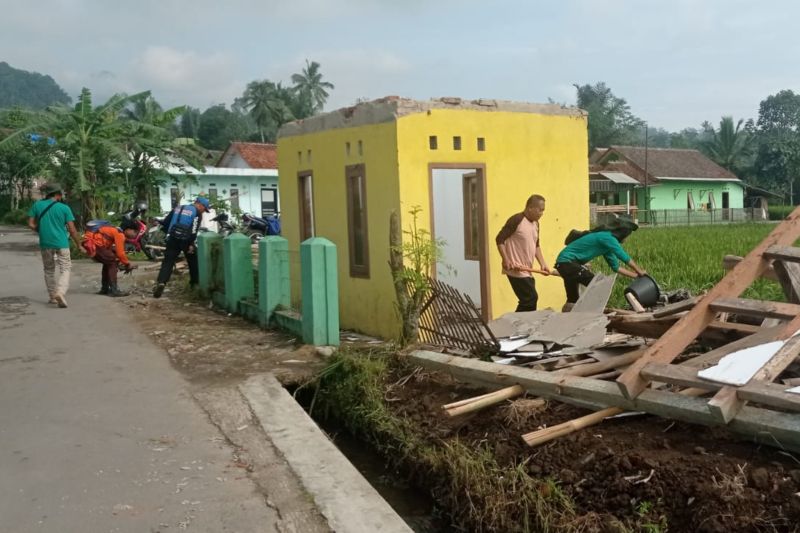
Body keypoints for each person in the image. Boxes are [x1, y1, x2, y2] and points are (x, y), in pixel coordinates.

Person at [555, 217, 647, 304]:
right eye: (627, 236)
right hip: (567, 263)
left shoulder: (606, 245)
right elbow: (623, 256)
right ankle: (593, 313)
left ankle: (570, 317)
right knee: (598, 285)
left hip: (565, 264)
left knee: (573, 299)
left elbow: (616, 267)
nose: (626, 239)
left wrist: (636, 276)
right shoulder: (608, 238)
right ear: (622, 233)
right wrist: (639, 271)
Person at [27, 183, 82, 308]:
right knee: (66, 267)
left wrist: (40, 230)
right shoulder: (64, 208)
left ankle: (52, 297)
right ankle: (60, 292)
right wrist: (79, 244)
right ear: (58, 195)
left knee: (49, 270)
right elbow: (72, 229)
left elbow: (30, 224)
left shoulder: (37, 205)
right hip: (61, 243)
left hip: (45, 243)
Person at [495, 194, 550, 312]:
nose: (542, 213)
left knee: (530, 302)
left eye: (543, 211)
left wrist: (543, 264)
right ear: (530, 208)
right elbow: (500, 239)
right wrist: (506, 259)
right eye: (540, 210)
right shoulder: (517, 220)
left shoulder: (536, 224)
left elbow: (536, 245)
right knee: (530, 298)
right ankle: (518, 325)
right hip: (515, 268)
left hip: (527, 270)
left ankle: (526, 326)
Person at [153, 197, 209, 298]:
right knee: (193, 260)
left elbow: (166, 222)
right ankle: (194, 284)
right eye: (204, 209)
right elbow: (194, 230)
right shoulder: (197, 213)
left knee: (168, 261)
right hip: (186, 240)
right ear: (199, 204)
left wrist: (165, 232)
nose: (204, 211)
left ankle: (161, 282)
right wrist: (191, 244)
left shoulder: (177, 208)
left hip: (173, 238)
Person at [86, 221, 139, 296]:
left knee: (108, 262)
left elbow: (112, 248)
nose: (135, 235)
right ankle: (114, 290)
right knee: (112, 262)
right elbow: (120, 253)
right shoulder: (120, 234)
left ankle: (105, 288)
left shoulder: (114, 230)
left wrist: (122, 262)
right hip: (96, 246)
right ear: (128, 229)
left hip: (92, 245)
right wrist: (127, 264)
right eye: (135, 232)